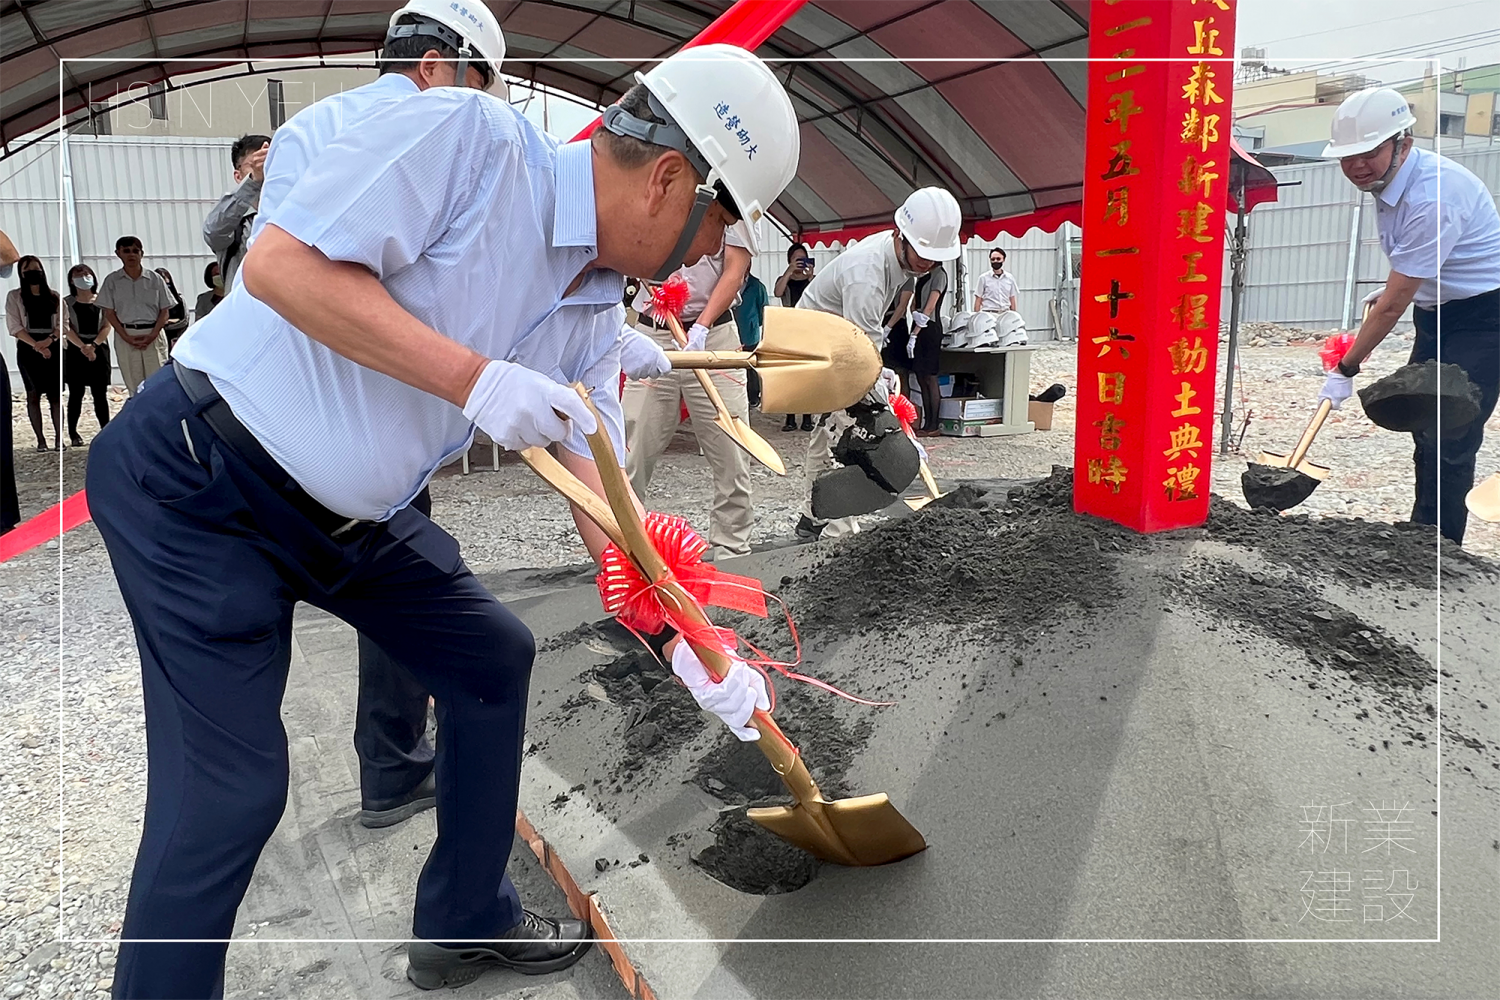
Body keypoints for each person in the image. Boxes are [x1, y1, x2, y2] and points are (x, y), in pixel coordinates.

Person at [86, 18, 798, 997]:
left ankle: (464, 920)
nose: (703, 259)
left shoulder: (596, 306)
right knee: (229, 792)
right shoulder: (471, 143)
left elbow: (601, 490)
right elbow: (283, 267)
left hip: (351, 523)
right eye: (719, 230)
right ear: (670, 182)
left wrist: (685, 637)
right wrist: (473, 379)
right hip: (203, 479)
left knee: (488, 658)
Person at [1316, 87, 1500, 546]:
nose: (1357, 166)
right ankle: (1423, 538)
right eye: (1348, 157)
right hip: (1436, 311)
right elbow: (1413, 272)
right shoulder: (1389, 182)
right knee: (1425, 421)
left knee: (1452, 432)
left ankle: (1442, 551)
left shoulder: (1434, 195)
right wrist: (1412, 285)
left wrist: (1346, 368)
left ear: (1403, 144)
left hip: (1484, 318)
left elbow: (1393, 306)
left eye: (1369, 153)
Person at [796, 187, 962, 539]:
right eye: (923, 254)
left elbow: (865, 343)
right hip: (818, 345)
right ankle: (840, 534)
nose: (928, 263)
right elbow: (861, 353)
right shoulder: (867, 272)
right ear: (902, 235)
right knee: (853, 431)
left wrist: (879, 375)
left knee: (829, 430)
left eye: (935, 258)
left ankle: (813, 516)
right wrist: (886, 404)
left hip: (841, 341)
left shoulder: (897, 259)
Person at [623, 224, 756, 560]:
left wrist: (702, 326)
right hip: (654, 334)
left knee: (732, 447)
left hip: (715, 336)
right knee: (631, 447)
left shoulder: (736, 205)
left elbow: (735, 269)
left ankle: (732, 548)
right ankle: (624, 548)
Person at [98, 236, 172, 398]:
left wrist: (152, 335)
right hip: (126, 335)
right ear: (118, 253)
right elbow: (109, 313)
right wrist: (127, 337)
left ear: (141, 254)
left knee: (157, 383)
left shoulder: (155, 279)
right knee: (134, 384)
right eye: (126, 251)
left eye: (135, 251)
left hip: (153, 334)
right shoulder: (112, 281)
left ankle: (158, 414)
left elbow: (165, 311)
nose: (131, 255)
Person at [6, 255, 64, 451]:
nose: (33, 273)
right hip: (28, 349)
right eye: (28, 270)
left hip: (53, 347)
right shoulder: (15, 297)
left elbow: (63, 324)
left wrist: (49, 341)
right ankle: (40, 440)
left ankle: (59, 439)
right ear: (21, 274)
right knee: (33, 394)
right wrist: (37, 346)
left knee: (55, 395)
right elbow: (14, 326)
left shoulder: (54, 296)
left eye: (36, 269)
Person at [204, 133, 271, 292]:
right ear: (238, 175)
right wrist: (254, 180)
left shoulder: (293, 212)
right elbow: (213, 232)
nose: (265, 168)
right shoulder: (236, 221)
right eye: (254, 163)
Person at [62, 264, 111, 447]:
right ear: (71, 280)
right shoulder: (66, 303)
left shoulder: (103, 301)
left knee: (100, 394)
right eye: (78, 274)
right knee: (76, 393)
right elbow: (66, 328)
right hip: (76, 350)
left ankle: (105, 430)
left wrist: (94, 346)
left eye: (87, 273)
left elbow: (107, 325)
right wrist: (83, 347)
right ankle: (73, 433)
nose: (83, 277)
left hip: (99, 348)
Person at [775, 242, 816, 430]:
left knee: (808, 374)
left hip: (808, 328)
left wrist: (810, 276)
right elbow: (778, 292)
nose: (800, 262)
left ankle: (807, 417)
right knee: (790, 374)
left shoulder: (813, 280)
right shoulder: (784, 279)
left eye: (803, 258)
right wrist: (789, 271)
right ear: (789, 260)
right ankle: (790, 417)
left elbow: (818, 295)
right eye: (796, 259)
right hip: (790, 329)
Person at [973, 246, 1018, 315]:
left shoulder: (1010, 278)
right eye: (993, 259)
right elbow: (978, 299)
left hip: (1005, 313)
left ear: (1003, 260)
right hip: (988, 314)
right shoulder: (983, 278)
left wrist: (1013, 315)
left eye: (998, 259)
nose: (995, 261)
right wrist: (976, 316)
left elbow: (1012, 299)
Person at [155, 267, 190, 352]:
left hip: (176, 338)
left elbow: (184, 320)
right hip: (157, 339)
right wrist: (164, 323)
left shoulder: (179, 299)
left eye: (168, 285)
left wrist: (165, 323)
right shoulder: (151, 301)